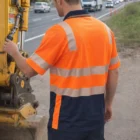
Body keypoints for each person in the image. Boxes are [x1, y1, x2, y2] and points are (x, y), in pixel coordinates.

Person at [3, 0, 120, 139]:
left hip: (66, 121)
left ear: (60, 2)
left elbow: (28, 70)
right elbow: (114, 72)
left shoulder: (59, 32)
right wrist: (108, 104)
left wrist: (14, 52)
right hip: (95, 118)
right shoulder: (106, 30)